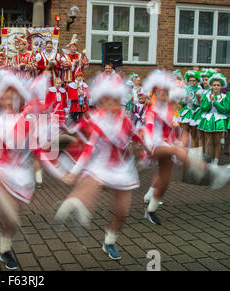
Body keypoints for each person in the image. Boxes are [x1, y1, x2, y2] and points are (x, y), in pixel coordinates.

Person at [54, 76, 148, 261]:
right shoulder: (95, 120)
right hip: (100, 165)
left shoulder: (125, 121)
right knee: (91, 184)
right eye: (106, 100)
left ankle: (109, 241)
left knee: (122, 213)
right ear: (101, 101)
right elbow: (86, 146)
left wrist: (144, 149)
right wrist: (72, 172)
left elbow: (135, 137)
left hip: (122, 169)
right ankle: (74, 207)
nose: (111, 104)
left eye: (114, 100)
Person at [142, 70, 229, 225]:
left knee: (165, 181)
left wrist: (181, 139)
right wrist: (149, 144)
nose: (164, 96)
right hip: (153, 146)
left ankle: (150, 211)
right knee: (176, 151)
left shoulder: (170, 110)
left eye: (166, 93)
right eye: (161, 93)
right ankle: (212, 171)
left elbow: (177, 130)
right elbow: (148, 129)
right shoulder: (152, 109)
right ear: (155, 93)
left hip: (167, 145)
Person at [197, 73, 229, 164]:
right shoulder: (207, 96)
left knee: (217, 141)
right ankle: (210, 160)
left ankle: (216, 160)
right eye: (214, 85)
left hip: (219, 120)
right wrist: (209, 102)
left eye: (218, 85)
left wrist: (216, 103)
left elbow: (225, 110)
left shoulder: (224, 97)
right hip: (207, 120)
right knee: (209, 141)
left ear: (221, 87)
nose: (216, 87)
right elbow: (203, 109)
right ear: (211, 86)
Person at [178, 70, 201, 148]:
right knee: (185, 133)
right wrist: (184, 100)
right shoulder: (185, 89)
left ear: (197, 81)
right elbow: (181, 102)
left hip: (196, 113)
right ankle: (184, 152)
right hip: (186, 112)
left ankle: (193, 154)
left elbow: (200, 104)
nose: (192, 82)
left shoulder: (199, 89)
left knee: (194, 135)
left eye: (194, 80)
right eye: (190, 80)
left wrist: (195, 100)